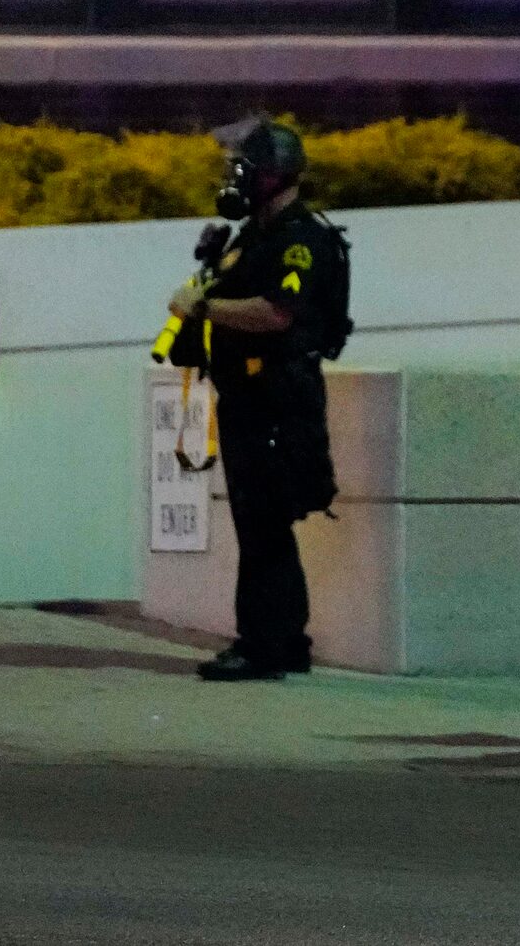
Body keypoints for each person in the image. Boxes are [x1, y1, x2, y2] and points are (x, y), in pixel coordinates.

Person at [158, 119, 349, 683]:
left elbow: (276, 312)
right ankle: (287, 640)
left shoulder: (300, 238)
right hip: (248, 395)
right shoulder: (255, 235)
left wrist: (200, 308)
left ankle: (260, 646)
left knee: (262, 521)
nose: (235, 177)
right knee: (263, 523)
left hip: (277, 398)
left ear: (273, 175)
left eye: (245, 168)